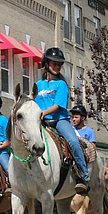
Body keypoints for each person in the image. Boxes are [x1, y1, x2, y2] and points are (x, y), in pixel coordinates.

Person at [34, 47, 89, 194]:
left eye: (59, 64)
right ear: (46, 64)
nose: (57, 66)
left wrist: (42, 113)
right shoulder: (38, 85)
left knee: (74, 142)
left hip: (59, 120)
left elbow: (59, 106)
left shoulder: (61, 84)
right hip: (41, 121)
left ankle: (83, 176)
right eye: (54, 63)